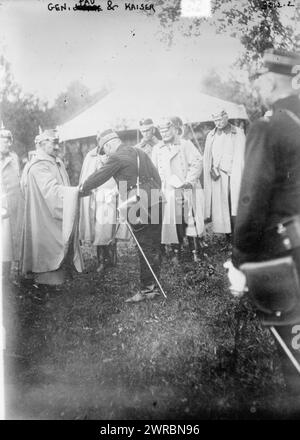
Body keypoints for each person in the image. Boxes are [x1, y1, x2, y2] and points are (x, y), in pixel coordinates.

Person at [228, 48, 300, 402]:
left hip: (285, 255)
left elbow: (251, 199)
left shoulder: (268, 128)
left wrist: (241, 256)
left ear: (269, 80)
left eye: (257, 80)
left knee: (294, 352)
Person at [79, 129, 163, 303]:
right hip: (155, 198)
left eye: (105, 150)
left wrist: (83, 188)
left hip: (137, 203)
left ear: (109, 145)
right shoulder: (139, 151)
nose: (106, 154)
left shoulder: (116, 157)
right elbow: (157, 177)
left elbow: (99, 176)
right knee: (154, 245)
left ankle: (148, 290)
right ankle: (154, 286)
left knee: (144, 246)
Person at [20, 128, 83, 287]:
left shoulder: (56, 162)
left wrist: (72, 193)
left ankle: (62, 274)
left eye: (58, 143)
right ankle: (46, 282)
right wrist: (76, 192)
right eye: (54, 143)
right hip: (44, 216)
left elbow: (62, 187)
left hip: (54, 213)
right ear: (41, 144)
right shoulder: (38, 166)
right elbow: (52, 193)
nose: (57, 147)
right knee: (48, 248)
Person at [152, 116, 205, 263]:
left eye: (167, 130)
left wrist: (189, 181)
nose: (164, 133)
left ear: (175, 129)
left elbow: (197, 162)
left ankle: (195, 251)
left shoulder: (185, 144)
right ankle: (177, 251)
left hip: (186, 188)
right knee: (173, 222)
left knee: (190, 219)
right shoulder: (157, 149)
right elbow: (154, 171)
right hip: (168, 190)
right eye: (162, 131)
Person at [79, 133, 119, 274]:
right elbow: (88, 176)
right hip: (98, 196)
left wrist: (115, 190)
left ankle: (112, 257)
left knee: (112, 227)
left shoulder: (114, 154)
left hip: (113, 194)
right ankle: (101, 260)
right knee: (100, 229)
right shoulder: (91, 156)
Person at [203, 108, 245, 242]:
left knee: (235, 206)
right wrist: (211, 170)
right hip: (218, 177)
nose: (218, 123)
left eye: (220, 119)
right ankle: (228, 237)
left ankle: (239, 236)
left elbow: (242, 155)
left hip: (234, 175)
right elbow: (208, 158)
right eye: (215, 120)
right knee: (222, 207)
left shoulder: (237, 132)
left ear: (226, 117)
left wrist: (237, 172)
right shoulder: (211, 135)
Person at [0, 123, 23, 284]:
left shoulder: (14, 158)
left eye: (9, 141)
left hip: (13, 204)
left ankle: (8, 276)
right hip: (1, 203)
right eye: (3, 141)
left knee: (11, 240)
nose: (7, 143)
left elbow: (18, 178)